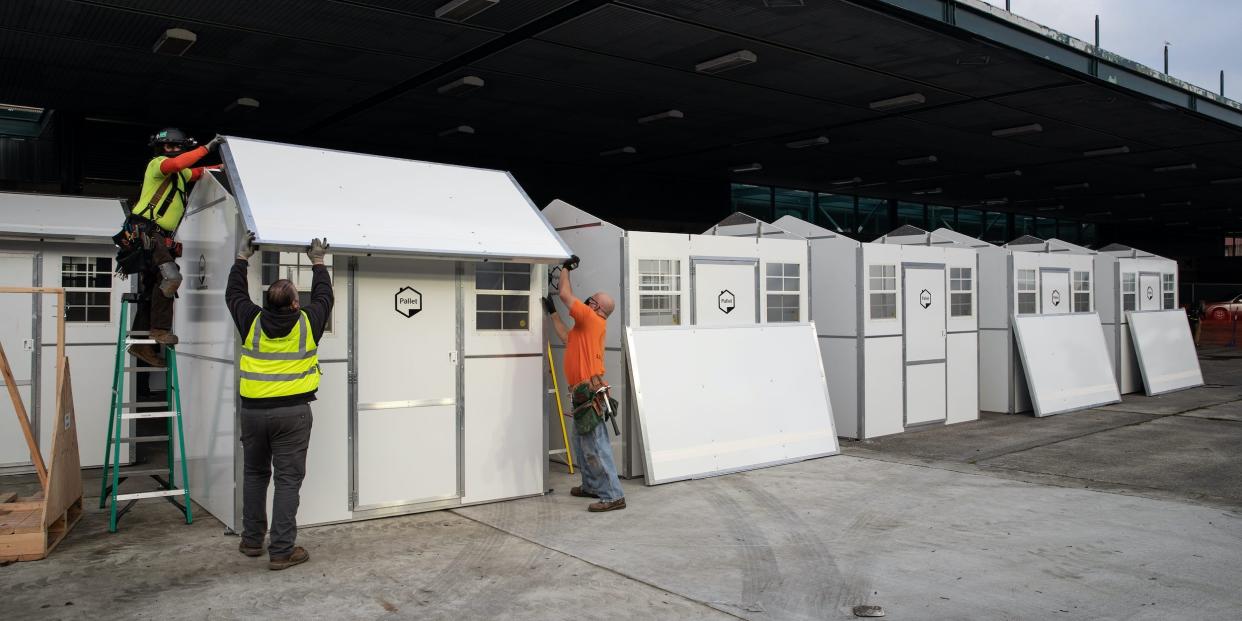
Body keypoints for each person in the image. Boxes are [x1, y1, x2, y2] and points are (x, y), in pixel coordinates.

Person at [228, 232, 333, 570]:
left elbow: (234, 294)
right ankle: (282, 550)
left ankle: (252, 541)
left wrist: (242, 258)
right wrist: (317, 261)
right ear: (294, 304)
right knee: (287, 480)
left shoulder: (251, 320)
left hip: (253, 413)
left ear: (266, 302)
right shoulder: (308, 322)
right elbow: (325, 296)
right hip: (292, 414)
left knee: (255, 474)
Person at [127, 127, 223, 367]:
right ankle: (159, 330)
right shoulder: (157, 165)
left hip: (160, 237)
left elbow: (199, 172)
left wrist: (223, 166)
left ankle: (140, 346)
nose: (173, 150)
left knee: (153, 291)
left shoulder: (181, 174)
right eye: (169, 146)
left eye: (177, 147)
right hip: (147, 231)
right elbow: (177, 165)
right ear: (161, 149)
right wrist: (207, 148)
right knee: (171, 277)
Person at [543, 257, 626, 512]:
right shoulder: (585, 327)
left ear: (596, 306)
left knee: (596, 445)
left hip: (588, 393)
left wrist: (566, 268)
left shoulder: (590, 319)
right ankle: (591, 485)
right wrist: (553, 312)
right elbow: (565, 336)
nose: (587, 300)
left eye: (591, 299)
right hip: (582, 394)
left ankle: (613, 495)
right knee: (581, 443)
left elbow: (566, 293)